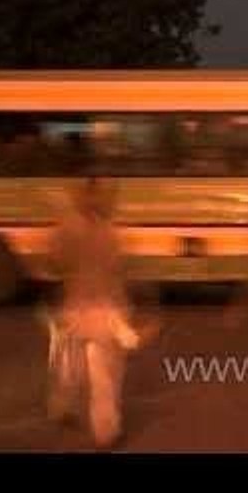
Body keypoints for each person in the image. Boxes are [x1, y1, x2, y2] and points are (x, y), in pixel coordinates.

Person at [46, 177, 148, 448]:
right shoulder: (111, 230)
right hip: (106, 310)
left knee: (70, 365)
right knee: (105, 375)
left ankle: (61, 409)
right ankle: (106, 433)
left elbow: (55, 263)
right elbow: (123, 268)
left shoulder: (67, 227)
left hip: (74, 307)